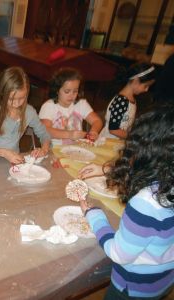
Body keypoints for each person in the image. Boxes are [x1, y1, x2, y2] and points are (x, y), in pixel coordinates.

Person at [79, 105, 174, 299]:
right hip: (163, 280)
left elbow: (118, 254)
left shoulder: (145, 204)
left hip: (132, 288)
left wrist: (94, 216)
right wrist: (108, 170)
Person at [0, 67, 51, 164]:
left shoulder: (29, 112)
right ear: (2, 94)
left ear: (27, 93)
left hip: (14, 161)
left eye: (22, 98)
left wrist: (44, 150)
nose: (16, 103)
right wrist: (4, 153)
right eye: (11, 99)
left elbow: (44, 134)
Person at [38, 67, 103, 145]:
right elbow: (45, 130)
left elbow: (97, 121)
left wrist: (94, 131)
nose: (71, 95)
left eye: (75, 91)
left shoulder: (81, 104)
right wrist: (69, 134)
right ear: (57, 90)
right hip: (53, 149)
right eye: (67, 91)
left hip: (77, 148)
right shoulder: (49, 106)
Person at [100, 62, 155, 139]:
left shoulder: (131, 100)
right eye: (145, 86)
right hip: (108, 142)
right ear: (136, 81)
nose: (146, 90)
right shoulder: (121, 101)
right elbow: (113, 129)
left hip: (118, 142)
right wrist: (133, 137)